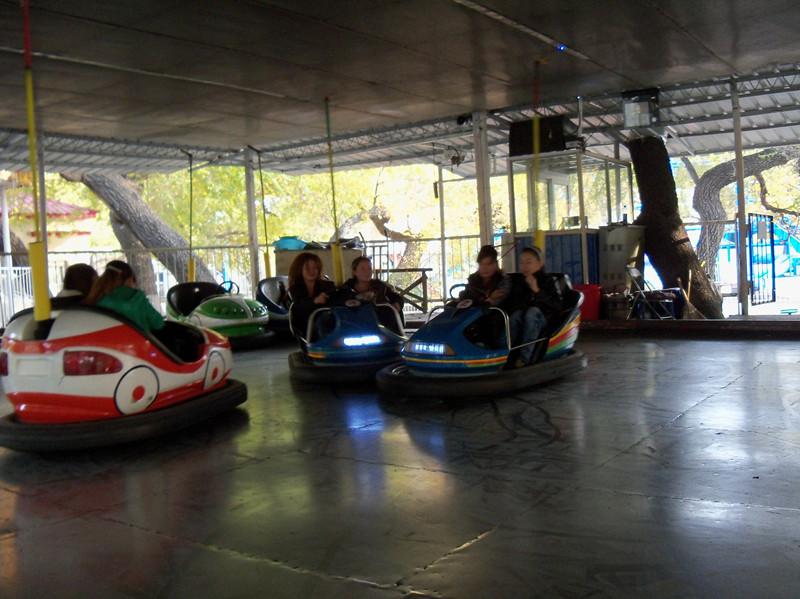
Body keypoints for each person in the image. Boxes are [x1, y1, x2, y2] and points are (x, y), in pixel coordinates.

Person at [507, 247, 563, 367]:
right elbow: (513, 303)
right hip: (523, 318)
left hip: (544, 321)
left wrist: (536, 290)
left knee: (532, 312)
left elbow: (557, 306)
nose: (524, 266)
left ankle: (524, 358)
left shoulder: (549, 281)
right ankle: (507, 355)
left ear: (540, 263)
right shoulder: (519, 282)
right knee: (515, 316)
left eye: (528, 262)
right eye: (521, 263)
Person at [84, 260, 165, 333]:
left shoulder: (96, 296)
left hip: (106, 343)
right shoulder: (138, 298)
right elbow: (158, 323)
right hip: (138, 343)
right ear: (129, 279)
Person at [339, 256, 404, 332]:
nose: (367, 272)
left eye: (369, 268)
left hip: (381, 325)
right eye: (363, 269)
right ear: (354, 272)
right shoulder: (346, 289)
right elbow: (337, 303)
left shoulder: (380, 286)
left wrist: (397, 304)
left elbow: (397, 298)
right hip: (355, 326)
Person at [287, 252, 336, 339]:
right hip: (305, 323)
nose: (312, 271)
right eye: (307, 268)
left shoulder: (328, 286)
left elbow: (335, 299)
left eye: (315, 268)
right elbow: (299, 306)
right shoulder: (295, 289)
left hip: (326, 319)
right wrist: (314, 301)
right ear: (300, 270)